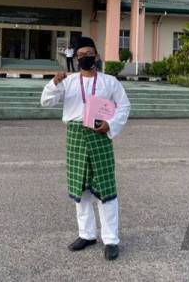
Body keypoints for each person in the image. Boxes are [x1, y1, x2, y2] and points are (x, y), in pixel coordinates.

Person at [40, 37, 131, 261]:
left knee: (106, 191)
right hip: (76, 138)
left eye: (89, 53)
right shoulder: (68, 82)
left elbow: (124, 106)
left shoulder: (110, 82)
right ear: (76, 59)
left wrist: (110, 124)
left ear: (97, 56)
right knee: (81, 191)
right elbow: (46, 102)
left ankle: (111, 240)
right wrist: (54, 83)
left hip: (100, 136)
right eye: (80, 55)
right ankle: (87, 234)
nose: (85, 58)